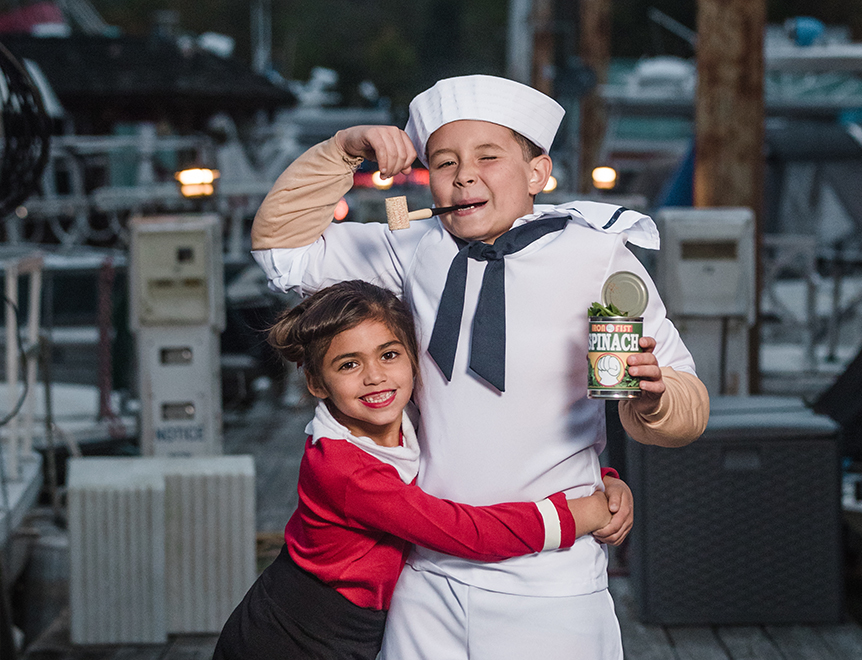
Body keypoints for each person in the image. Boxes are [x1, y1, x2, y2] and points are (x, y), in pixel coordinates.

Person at [251, 74, 710, 659]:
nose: (464, 175)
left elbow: (688, 412)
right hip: (426, 575)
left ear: (537, 173)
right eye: (445, 162)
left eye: (488, 157)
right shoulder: (411, 245)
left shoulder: (599, 255)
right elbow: (281, 251)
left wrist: (654, 399)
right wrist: (342, 150)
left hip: (553, 580)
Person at [213, 279, 620, 660]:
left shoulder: (409, 417)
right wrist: (581, 513)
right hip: (290, 635)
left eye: (389, 355)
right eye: (348, 365)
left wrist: (599, 481)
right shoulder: (343, 468)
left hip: (345, 629)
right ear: (317, 383)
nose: (375, 377)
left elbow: (497, 454)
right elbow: (467, 533)